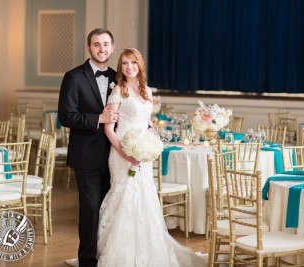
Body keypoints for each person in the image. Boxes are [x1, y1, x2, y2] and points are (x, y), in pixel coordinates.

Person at [97, 47, 207, 266]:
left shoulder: (146, 90)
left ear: (140, 65)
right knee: (126, 198)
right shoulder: (119, 90)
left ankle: (150, 252)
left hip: (142, 152)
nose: (129, 67)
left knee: (146, 198)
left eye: (133, 63)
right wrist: (126, 153)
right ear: (121, 67)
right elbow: (109, 128)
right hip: (122, 153)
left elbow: (144, 120)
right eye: (125, 63)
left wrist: (151, 132)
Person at [58, 28, 118, 267]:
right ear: (88, 48)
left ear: (112, 47)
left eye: (105, 44)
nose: (101, 49)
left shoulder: (118, 77)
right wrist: (98, 119)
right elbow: (66, 117)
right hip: (86, 156)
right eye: (96, 44)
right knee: (91, 209)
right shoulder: (73, 77)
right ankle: (87, 262)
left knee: (109, 209)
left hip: (114, 156)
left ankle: (107, 256)